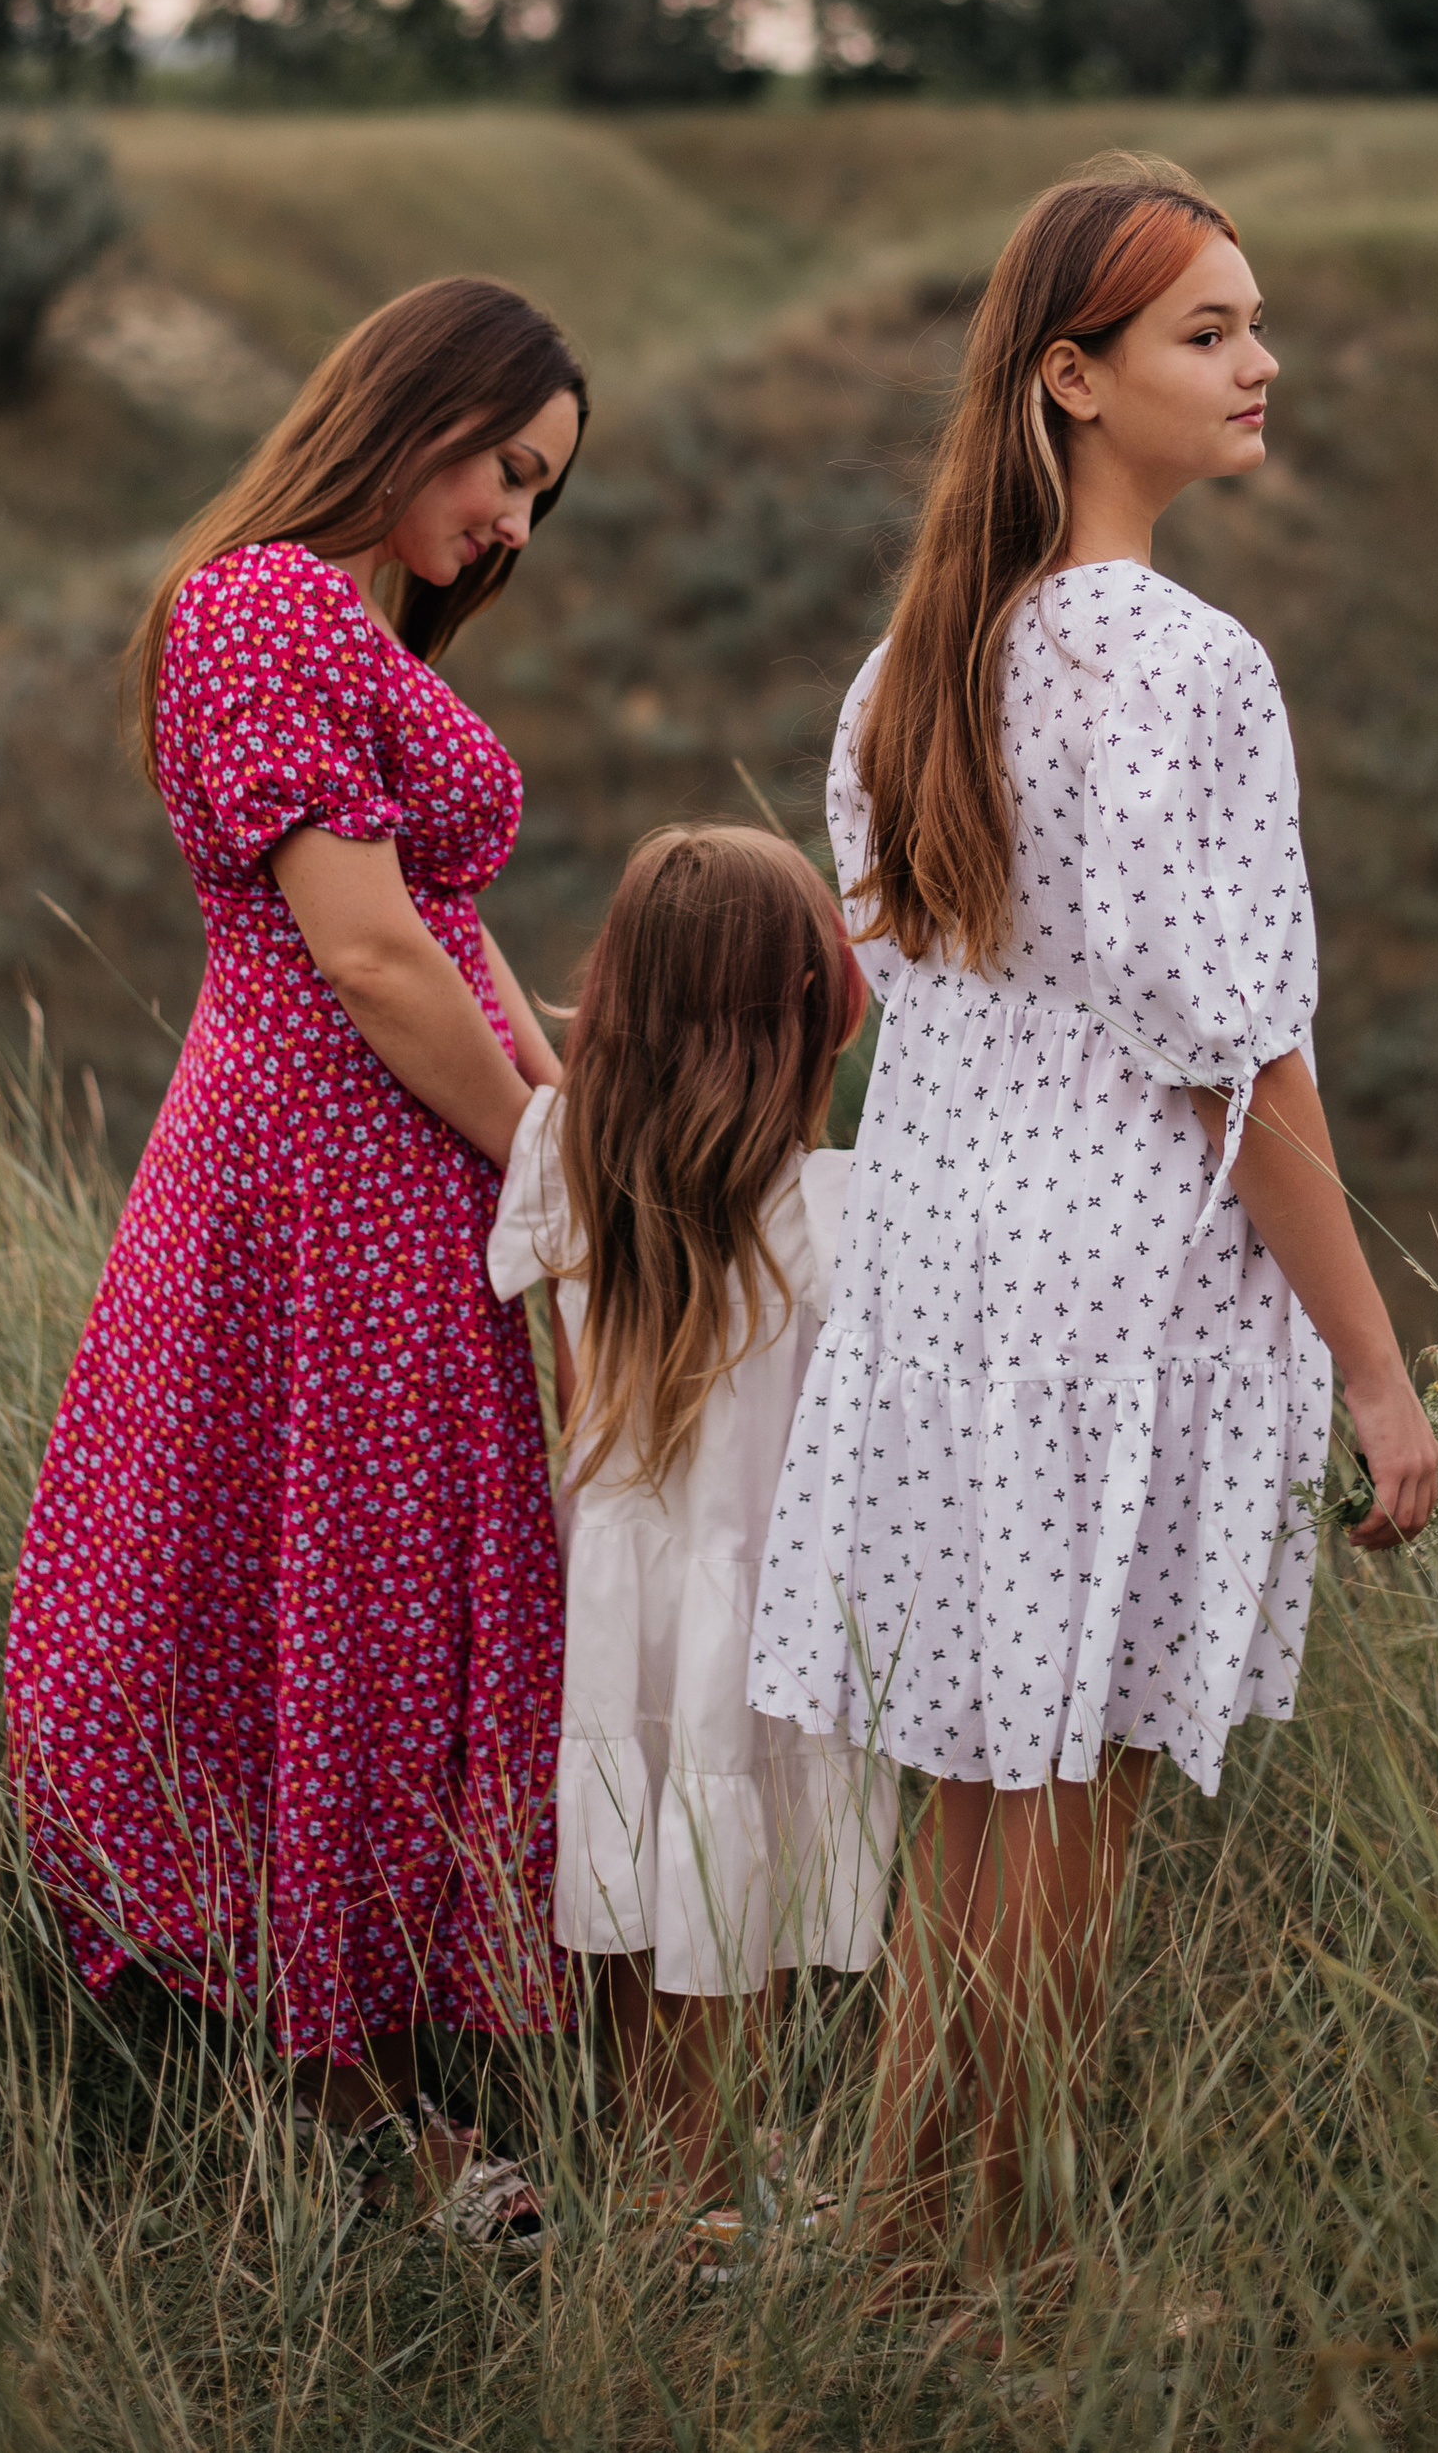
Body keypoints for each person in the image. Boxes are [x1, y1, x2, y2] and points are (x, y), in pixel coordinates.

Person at [748, 157, 1438, 2265]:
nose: (1260, 364)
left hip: (946, 1275)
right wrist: (1377, 1369)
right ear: (1072, 380)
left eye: (1250, 323)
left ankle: (898, 2251)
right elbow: (1238, 1062)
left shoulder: (904, 673)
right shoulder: (1189, 665)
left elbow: (919, 993)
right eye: (1206, 332)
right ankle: (1004, 2272)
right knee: (1064, 1836)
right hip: (1121, 1294)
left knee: (979, 1822)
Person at [4, 273, 585, 2214]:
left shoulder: (354, 633)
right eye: (507, 470)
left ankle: (406, 2067)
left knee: (389, 1610)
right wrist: (556, 1174)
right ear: (415, 409)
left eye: (538, 498)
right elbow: (357, 950)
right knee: (299, 1608)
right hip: (308, 1187)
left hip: (412, 1177)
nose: (513, 523)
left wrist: (590, 1082)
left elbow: (443, 919)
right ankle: (350, 2117)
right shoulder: (258, 599)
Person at [488, 824, 899, 2213]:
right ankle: (704, 2187)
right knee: (742, 1874)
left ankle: (676, 2160)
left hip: (613, 1582)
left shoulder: (556, 1148)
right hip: (766, 1600)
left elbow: (566, 1375)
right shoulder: (834, 1206)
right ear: (810, 1011)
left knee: (639, 1867)